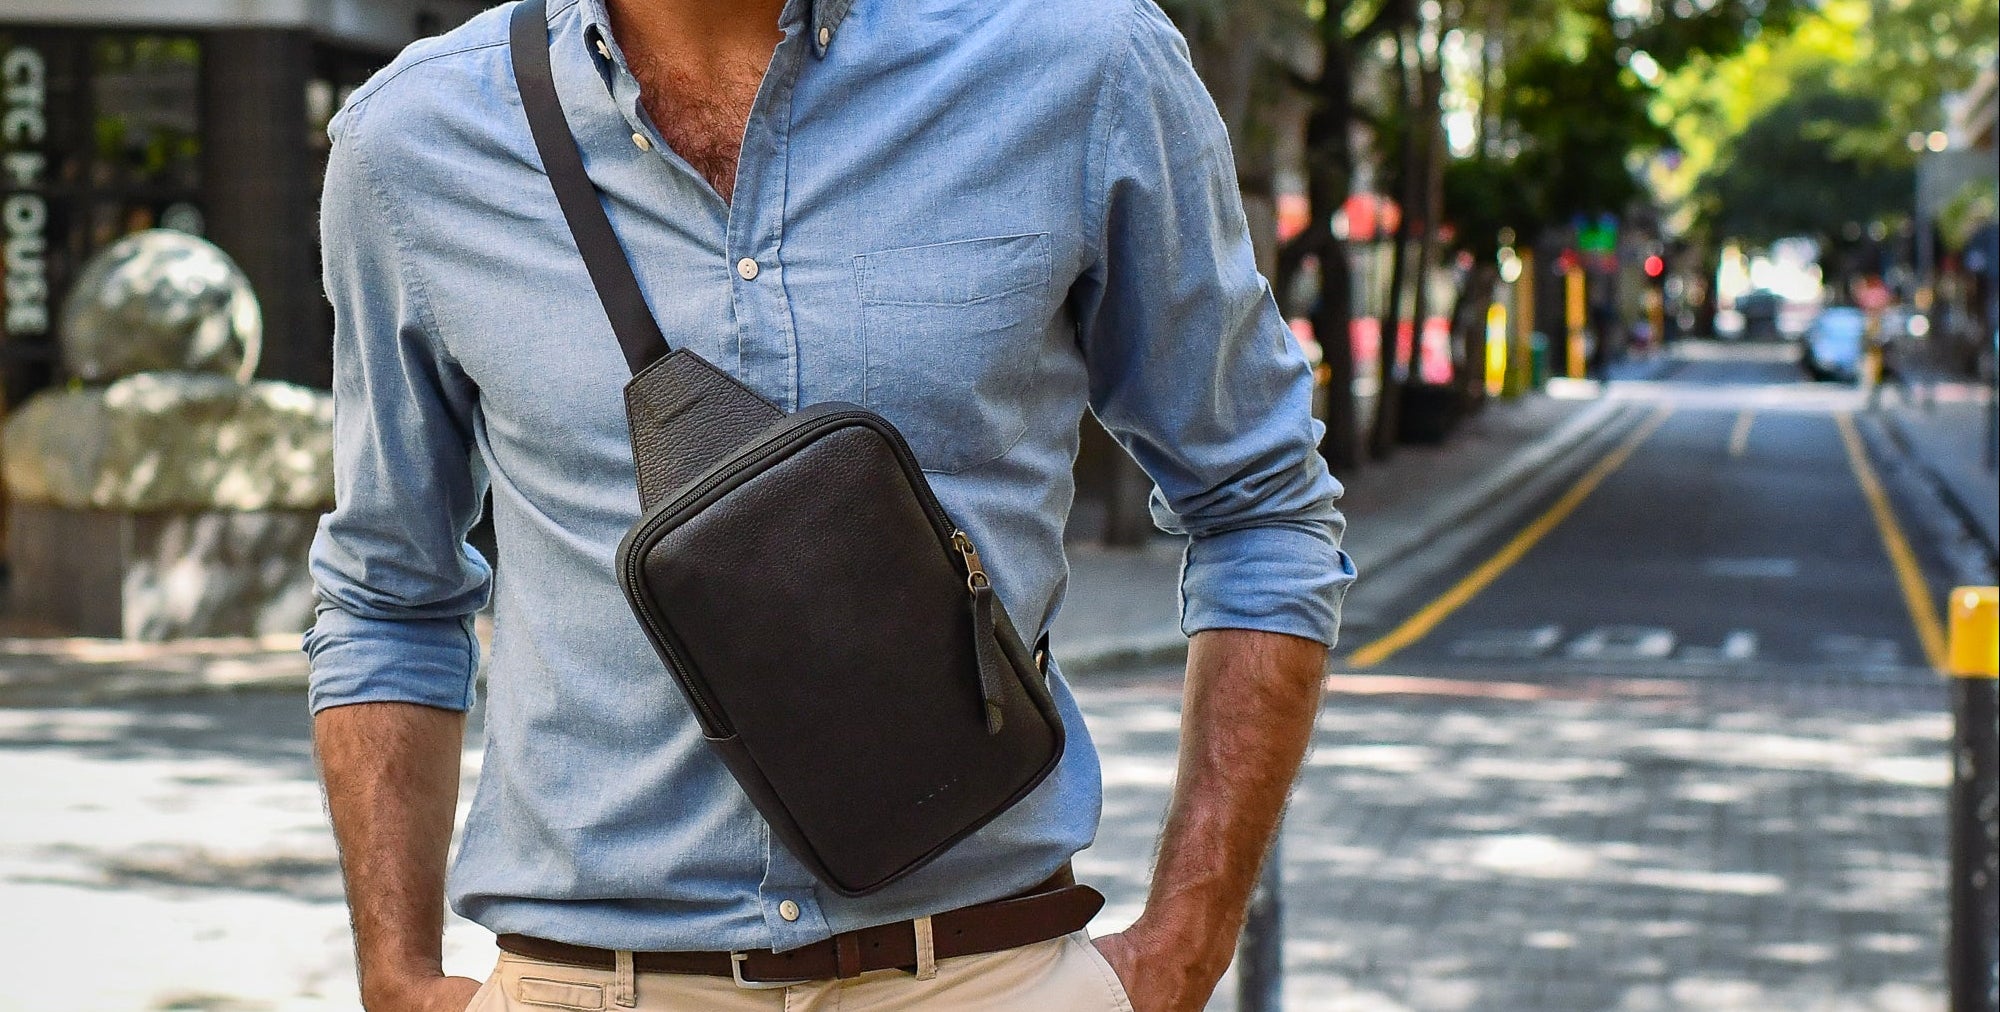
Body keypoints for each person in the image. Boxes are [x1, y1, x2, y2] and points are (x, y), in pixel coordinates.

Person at [306, 0, 1354, 1009]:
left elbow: (1259, 505)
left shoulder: (1082, 68)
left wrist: (1183, 944)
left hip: (980, 970)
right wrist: (394, 975)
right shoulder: (414, 142)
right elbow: (387, 590)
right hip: (591, 979)